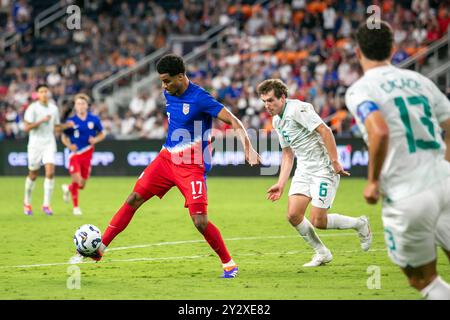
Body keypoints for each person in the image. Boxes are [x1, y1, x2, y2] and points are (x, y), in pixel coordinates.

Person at [78, 54, 261, 278]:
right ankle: (100, 249)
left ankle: (229, 264)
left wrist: (248, 147)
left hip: (191, 166)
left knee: (200, 221)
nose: (163, 86)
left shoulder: (200, 98)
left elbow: (233, 119)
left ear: (181, 76)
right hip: (165, 159)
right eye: (161, 81)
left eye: (167, 80)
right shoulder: (169, 92)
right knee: (133, 199)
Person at [345, 20, 450, 299]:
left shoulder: (360, 90)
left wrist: (372, 182)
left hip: (408, 194)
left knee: (423, 280)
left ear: (358, 53)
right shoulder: (421, 81)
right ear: (393, 49)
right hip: (446, 181)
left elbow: (379, 130)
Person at [258, 79, 372, 267]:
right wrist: (280, 183)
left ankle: (360, 224)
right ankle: (322, 253)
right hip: (304, 169)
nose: (267, 105)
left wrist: (335, 162)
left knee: (318, 220)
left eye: (270, 100)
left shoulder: (298, 109)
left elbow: (325, 130)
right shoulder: (277, 121)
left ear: (283, 97)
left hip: (323, 168)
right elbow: (287, 154)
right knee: (293, 215)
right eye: (264, 101)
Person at [23, 84, 73, 216]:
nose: (44, 93)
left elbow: (56, 128)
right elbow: (26, 128)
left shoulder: (53, 108)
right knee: (33, 175)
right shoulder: (32, 108)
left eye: (46, 91)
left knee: (50, 173)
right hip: (35, 144)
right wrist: (41, 121)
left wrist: (66, 126)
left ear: (48, 93)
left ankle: (46, 205)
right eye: (41, 91)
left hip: (49, 143)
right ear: (37, 94)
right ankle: (27, 202)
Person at [61, 93, 105, 215]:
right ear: (75, 106)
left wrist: (95, 140)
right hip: (74, 154)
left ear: (87, 106)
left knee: (82, 185)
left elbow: (102, 134)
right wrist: (69, 146)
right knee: (77, 180)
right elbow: (63, 137)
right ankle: (76, 207)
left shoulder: (94, 119)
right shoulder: (70, 121)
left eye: (83, 103)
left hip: (87, 154)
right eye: (78, 104)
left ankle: (68, 188)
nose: (80, 106)